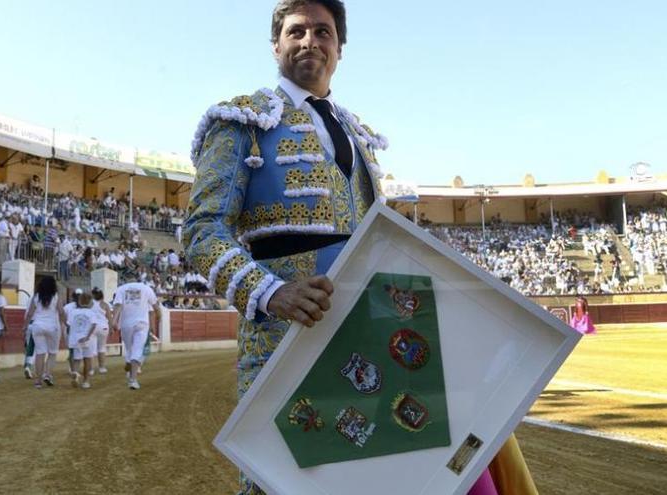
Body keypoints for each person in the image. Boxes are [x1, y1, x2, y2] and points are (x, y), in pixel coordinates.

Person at [183, 2, 534, 493]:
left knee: (397, 467)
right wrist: (270, 292)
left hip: (373, 331)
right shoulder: (242, 120)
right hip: (286, 338)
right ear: (276, 45)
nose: (310, 41)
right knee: (284, 476)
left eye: (322, 31)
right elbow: (201, 230)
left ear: (339, 48)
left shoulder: (358, 133)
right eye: (296, 31)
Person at [111, 275, 159, 390]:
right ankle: (132, 380)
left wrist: (114, 321)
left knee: (130, 349)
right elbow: (155, 307)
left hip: (126, 324)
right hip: (142, 323)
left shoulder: (121, 288)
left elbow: (117, 305)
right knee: (137, 350)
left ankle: (131, 369)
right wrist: (158, 319)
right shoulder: (146, 288)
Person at [23, 276, 67, 388]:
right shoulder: (56, 297)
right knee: (52, 353)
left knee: (40, 353)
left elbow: (29, 313)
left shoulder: (36, 296)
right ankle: (47, 374)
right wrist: (66, 323)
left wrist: (25, 325)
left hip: (37, 326)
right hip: (52, 327)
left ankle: (38, 381)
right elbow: (61, 312)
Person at [66, 293, 102, 389]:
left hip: (75, 338)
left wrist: (72, 335)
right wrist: (87, 336)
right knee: (87, 360)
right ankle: (86, 381)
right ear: (90, 302)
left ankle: (75, 373)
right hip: (86, 339)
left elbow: (69, 325)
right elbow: (94, 325)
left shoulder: (73, 312)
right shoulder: (91, 313)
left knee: (77, 359)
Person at [91, 287, 112, 374]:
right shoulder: (105, 305)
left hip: (92, 327)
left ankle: (91, 369)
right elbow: (109, 318)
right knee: (101, 348)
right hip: (103, 327)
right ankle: (102, 368)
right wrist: (110, 329)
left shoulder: (90, 304)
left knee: (92, 349)